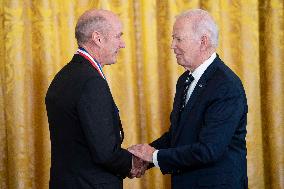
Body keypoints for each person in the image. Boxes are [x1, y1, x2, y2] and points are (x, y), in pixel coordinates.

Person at [129, 9, 248, 189]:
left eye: (178, 39)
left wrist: (154, 156)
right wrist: (144, 157)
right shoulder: (184, 80)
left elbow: (209, 150)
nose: (172, 45)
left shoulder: (226, 86)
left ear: (203, 41)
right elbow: (178, 135)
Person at [45, 9, 144, 189]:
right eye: (118, 36)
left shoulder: (64, 76)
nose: (122, 44)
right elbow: (105, 153)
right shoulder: (90, 82)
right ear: (98, 38)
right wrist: (132, 163)